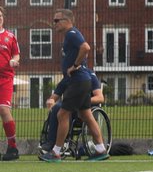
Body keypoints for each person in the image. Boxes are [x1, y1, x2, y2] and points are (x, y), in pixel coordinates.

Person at [39, 9, 108, 163]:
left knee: (62, 114)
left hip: (78, 81)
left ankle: (56, 152)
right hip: (81, 82)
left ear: (67, 21)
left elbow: (86, 47)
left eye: (57, 20)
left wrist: (75, 65)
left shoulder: (71, 33)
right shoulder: (69, 36)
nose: (54, 23)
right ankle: (100, 149)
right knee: (86, 116)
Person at [40, 71, 103, 152]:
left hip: (85, 110)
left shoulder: (90, 75)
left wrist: (81, 101)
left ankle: (54, 145)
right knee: (57, 107)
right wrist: (51, 100)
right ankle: (52, 143)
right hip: (70, 109)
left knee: (63, 109)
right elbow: (54, 97)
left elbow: (100, 98)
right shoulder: (68, 77)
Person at [0, 7, 19, 161]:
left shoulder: (10, 36)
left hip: (5, 78)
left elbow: (16, 54)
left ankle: (12, 147)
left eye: (0, 16)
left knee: (3, 109)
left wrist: (14, 60)